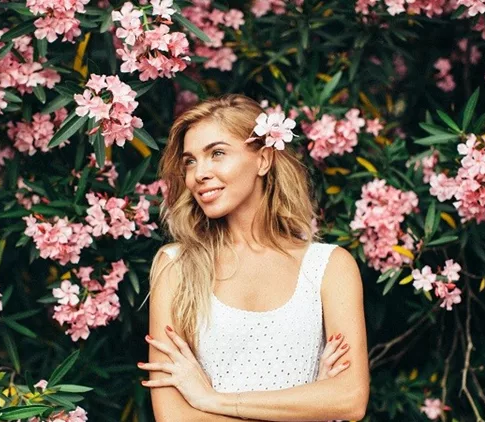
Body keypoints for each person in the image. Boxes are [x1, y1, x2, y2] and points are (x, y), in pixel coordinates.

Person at [138, 94, 369, 421]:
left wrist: (211, 400)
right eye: (190, 161)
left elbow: (350, 399)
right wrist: (309, 405)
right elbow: (175, 417)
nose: (199, 173)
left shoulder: (329, 267)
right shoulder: (176, 265)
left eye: (216, 153)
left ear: (263, 160)